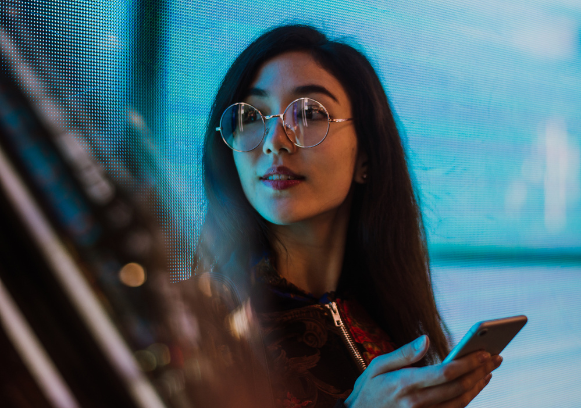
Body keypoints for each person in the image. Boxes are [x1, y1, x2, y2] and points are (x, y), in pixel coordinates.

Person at [193, 25, 502, 408]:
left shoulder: (386, 316)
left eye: (308, 113)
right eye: (252, 116)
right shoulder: (200, 326)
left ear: (366, 156)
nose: (274, 141)